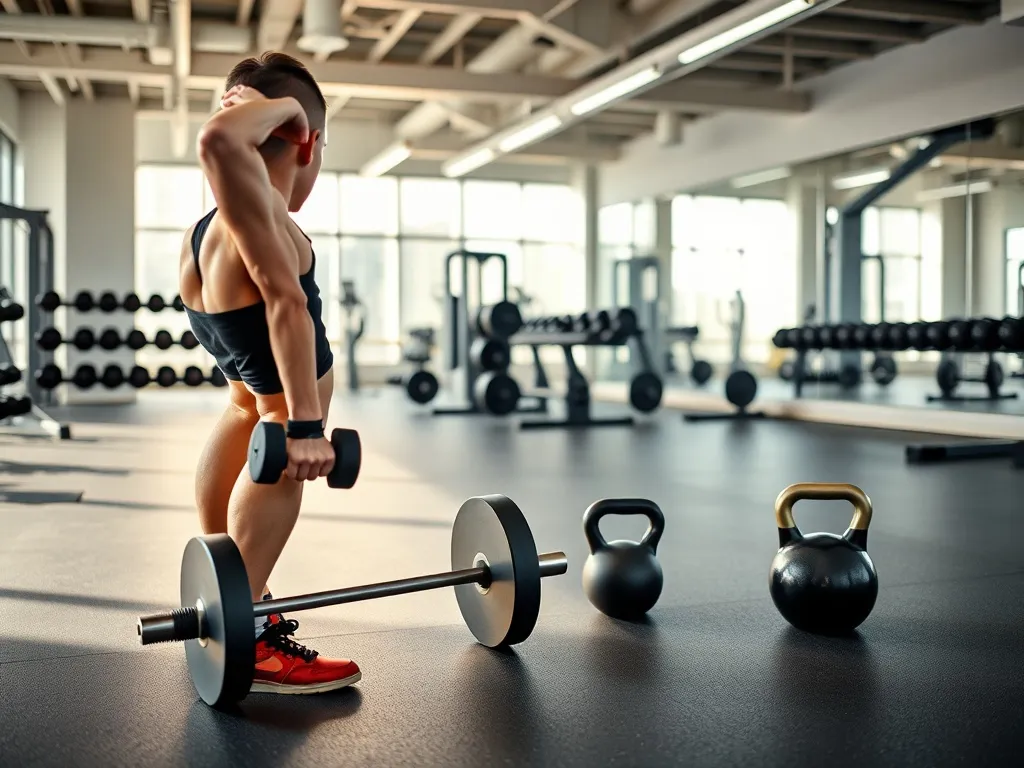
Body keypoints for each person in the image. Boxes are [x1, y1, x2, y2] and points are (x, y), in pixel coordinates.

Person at [178, 52, 360, 695]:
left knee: (244, 409)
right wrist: (307, 425)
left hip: (222, 319)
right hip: (290, 388)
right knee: (278, 433)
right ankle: (246, 627)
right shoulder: (258, 212)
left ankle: (225, 574)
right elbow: (287, 307)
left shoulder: (212, 221)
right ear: (305, 144)